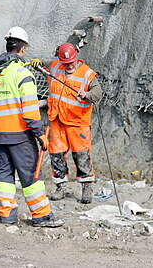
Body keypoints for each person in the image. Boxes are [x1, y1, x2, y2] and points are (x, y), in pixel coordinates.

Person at [0, 26, 63, 227]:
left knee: (4, 177)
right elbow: (30, 110)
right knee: (31, 176)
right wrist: (39, 134)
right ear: (22, 49)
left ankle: (7, 215)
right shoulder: (23, 74)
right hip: (20, 136)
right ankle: (42, 216)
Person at [32, 43, 102, 204]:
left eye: (71, 63)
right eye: (66, 63)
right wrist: (38, 62)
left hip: (77, 121)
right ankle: (60, 187)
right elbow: (44, 64)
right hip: (57, 119)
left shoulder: (87, 73)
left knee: (81, 155)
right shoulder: (56, 65)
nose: (69, 66)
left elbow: (98, 92)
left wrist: (87, 94)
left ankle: (86, 187)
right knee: (56, 154)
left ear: (76, 57)